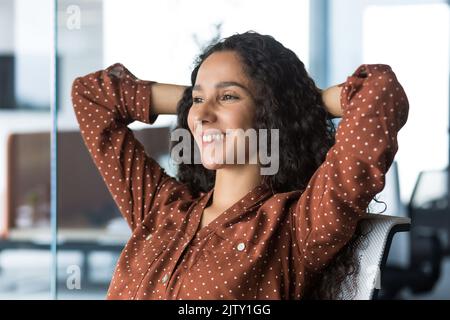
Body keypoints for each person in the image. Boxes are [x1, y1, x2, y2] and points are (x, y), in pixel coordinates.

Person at [71, 31, 409, 299]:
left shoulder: (298, 227)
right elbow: (91, 96)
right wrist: (191, 100)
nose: (201, 115)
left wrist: (300, 104)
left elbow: (380, 91)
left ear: (271, 113)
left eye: (228, 96)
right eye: (199, 99)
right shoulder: (161, 208)